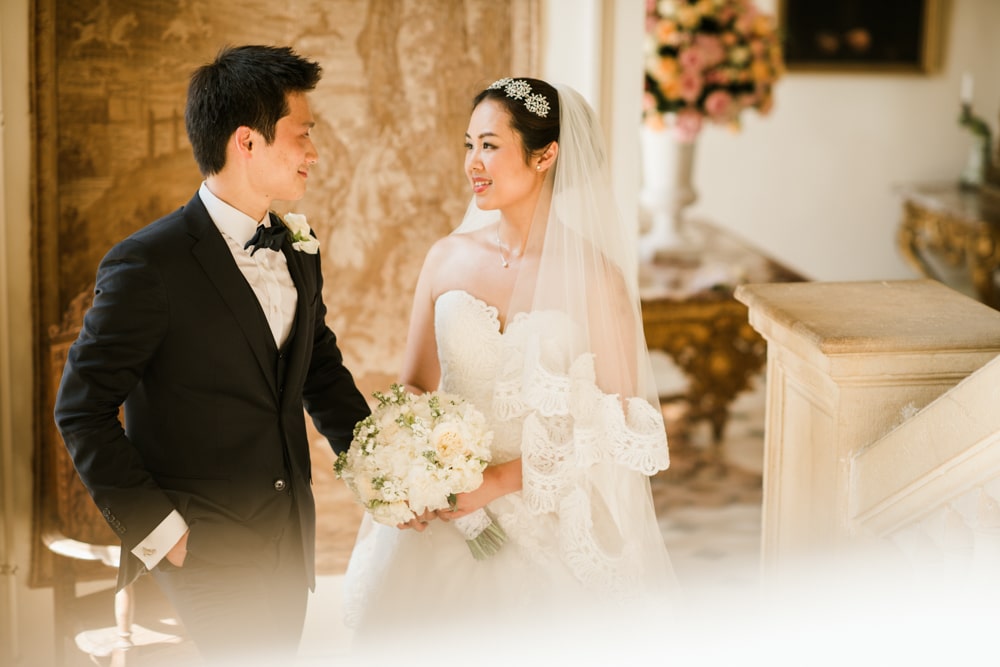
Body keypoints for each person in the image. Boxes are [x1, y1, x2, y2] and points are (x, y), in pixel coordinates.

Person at [54, 45, 370, 665]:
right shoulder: (147, 263)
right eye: (302, 136)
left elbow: (319, 371)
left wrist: (387, 470)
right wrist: (166, 536)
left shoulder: (299, 249)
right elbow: (81, 411)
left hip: (288, 543)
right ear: (246, 143)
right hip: (202, 553)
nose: (313, 152)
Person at [342, 77, 675, 659]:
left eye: (491, 145)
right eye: (468, 145)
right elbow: (415, 384)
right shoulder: (446, 258)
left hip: (548, 513)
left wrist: (498, 481)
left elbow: (626, 425)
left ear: (546, 155)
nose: (474, 163)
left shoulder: (595, 279)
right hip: (443, 513)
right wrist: (413, 468)